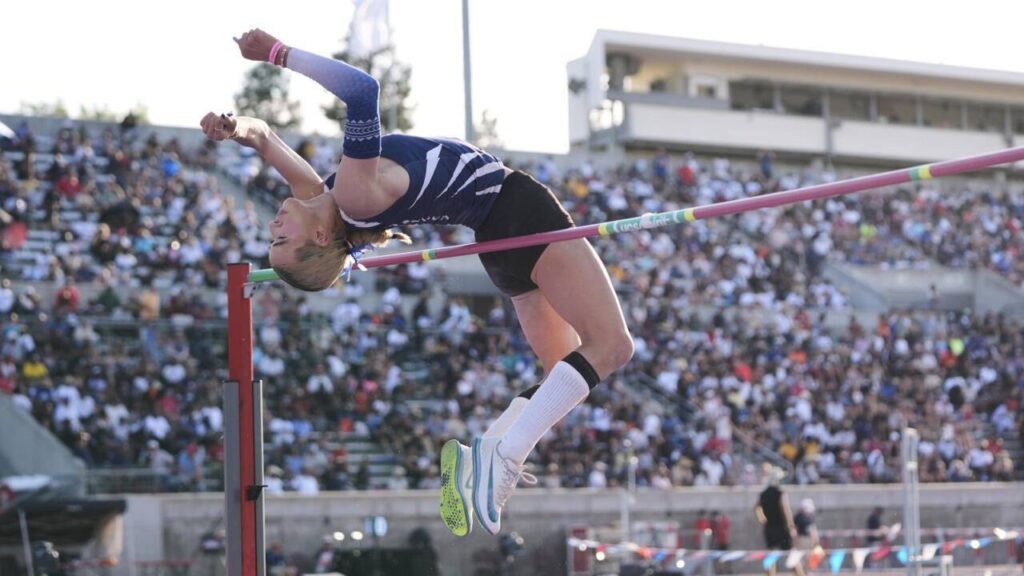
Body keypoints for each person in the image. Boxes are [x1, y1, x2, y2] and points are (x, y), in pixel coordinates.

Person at [207, 29, 633, 537]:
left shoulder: (325, 197)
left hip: (496, 243)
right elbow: (362, 90)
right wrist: (278, 53)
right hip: (518, 211)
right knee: (611, 346)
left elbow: (264, 137)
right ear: (319, 236)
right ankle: (506, 457)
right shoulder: (354, 194)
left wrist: (234, 127)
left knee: (559, 372)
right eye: (281, 241)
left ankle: (488, 455)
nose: (273, 228)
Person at [754, 466, 802, 576]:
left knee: (771, 556)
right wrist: (791, 526)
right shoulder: (780, 493)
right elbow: (785, 510)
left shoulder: (764, 493)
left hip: (769, 528)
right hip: (782, 528)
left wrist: (763, 519)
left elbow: (756, 508)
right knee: (791, 555)